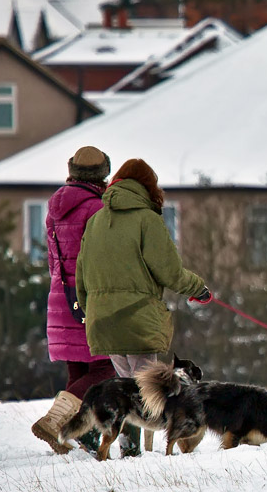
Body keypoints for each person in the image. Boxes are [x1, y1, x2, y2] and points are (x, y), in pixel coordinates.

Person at [76, 158, 210, 456]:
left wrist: (90, 311)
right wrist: (198, 289)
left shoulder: (96, 221)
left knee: (127, 386)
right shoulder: (147, 220)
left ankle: (129, 447)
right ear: (148, 187)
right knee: (144, 390)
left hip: (103, 320)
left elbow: (81, 274)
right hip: (136, 317)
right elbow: (169, 271)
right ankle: (134, 450)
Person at [32, 146, 117, 454]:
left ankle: (83, 435)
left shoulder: (55, 208)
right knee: (107, 367)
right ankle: (57, 422)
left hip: (59, 297)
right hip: (88, 296)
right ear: (102, 174)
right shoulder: (96, 208)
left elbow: (55, 263)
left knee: (79, 370)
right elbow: (102, 260)